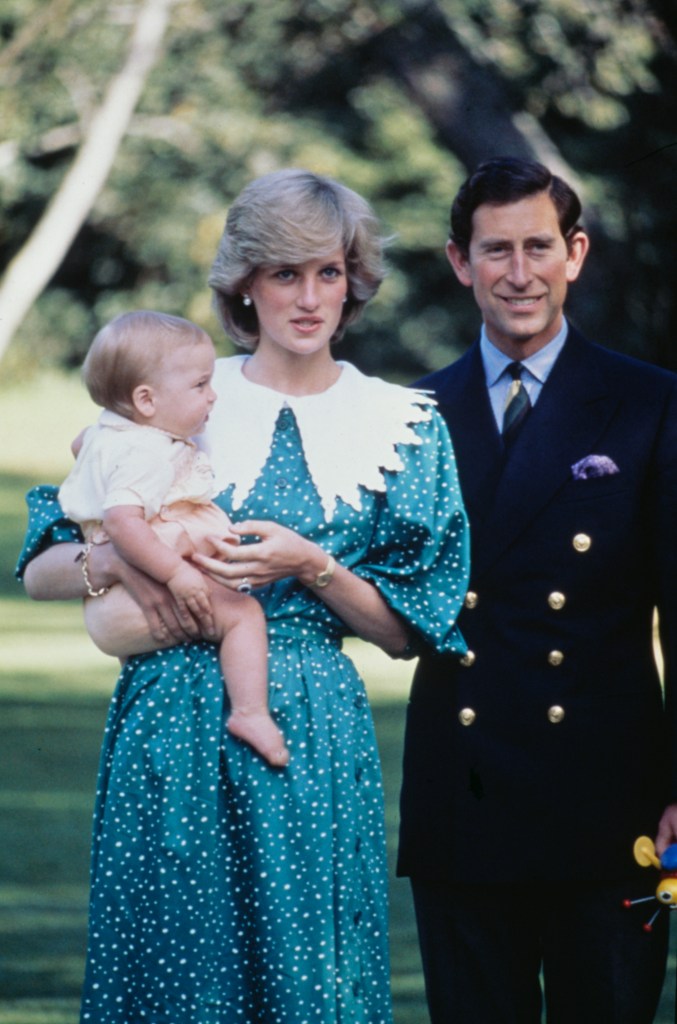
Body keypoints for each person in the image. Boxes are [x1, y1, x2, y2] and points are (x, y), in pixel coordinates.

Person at [17, 168, 470, 1024]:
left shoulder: (403, 424)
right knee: (173, 982)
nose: (308, 297)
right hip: (166, 719)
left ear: (353, 282)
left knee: (308, 983)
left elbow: (412, 632)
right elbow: (41, 567)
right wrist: (117, 562)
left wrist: (310, 564)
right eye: (284, 273)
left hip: (303, 726)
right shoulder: (174, 393)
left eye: (328, 272)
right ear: (244, 286)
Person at [397, 156, 677, 1024]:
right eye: (494, 251)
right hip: (463, 799)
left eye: (537, 247)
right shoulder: (409, 416)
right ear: (458, 261)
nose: (517, 274)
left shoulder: (649, 403)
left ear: (575, 253)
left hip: (610, 795)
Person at [58, 309, 288, 767]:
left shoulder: (108, 433)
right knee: (242, 616)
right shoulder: (146, 453)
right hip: (131, 598)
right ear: (146, 400)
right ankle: (251, 712)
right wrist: (178, 574)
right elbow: (124, 523)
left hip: (110, 607)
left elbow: (80, 445)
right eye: (200, 385)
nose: (212, 395)